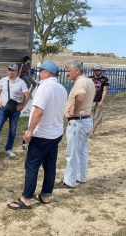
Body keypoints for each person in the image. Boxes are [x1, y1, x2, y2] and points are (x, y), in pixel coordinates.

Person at [7, 61, 67, 210]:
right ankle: (46, 195)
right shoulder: (61, 88)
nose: (39, 73)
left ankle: (26, 199)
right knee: (50, 165)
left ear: (47, 73)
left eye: (41, 71)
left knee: (32, 166)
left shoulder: (44, 88)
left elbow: (39, 111)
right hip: (56, 133)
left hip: (42, 135)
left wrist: (29, 132)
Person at [55, 59, 95, 189]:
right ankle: (81, 177)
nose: (66, 73)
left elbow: (80, 97)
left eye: (68, 71)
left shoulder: (80, 82)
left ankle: (69, 181)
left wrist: (75, 112)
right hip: (86, 120)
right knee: (82, 151)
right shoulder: (89, 81)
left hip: (78, 121)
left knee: (72, 153)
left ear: (77, 70)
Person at [0, 64, 29, 158]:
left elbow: (27, 95)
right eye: (9, 70)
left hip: (15, 110)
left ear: (17, 72)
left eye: (13, 70)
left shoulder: (21, 82)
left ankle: (9, 149)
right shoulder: (3, 80)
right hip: (3, 109)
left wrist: (21, 107)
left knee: (12, 131)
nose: (11, 72)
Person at [89, 64, 109, 138]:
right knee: (87, 115)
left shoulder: (105, 80)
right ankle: (87, 130)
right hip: (91, 100)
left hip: (99, 100)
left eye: (99, 70)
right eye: (96, 70)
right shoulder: (90, 78)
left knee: (97, 117)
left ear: (101, 71)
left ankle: (92, 132)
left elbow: (105, 91)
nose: (97, 71)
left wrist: (102, 101)